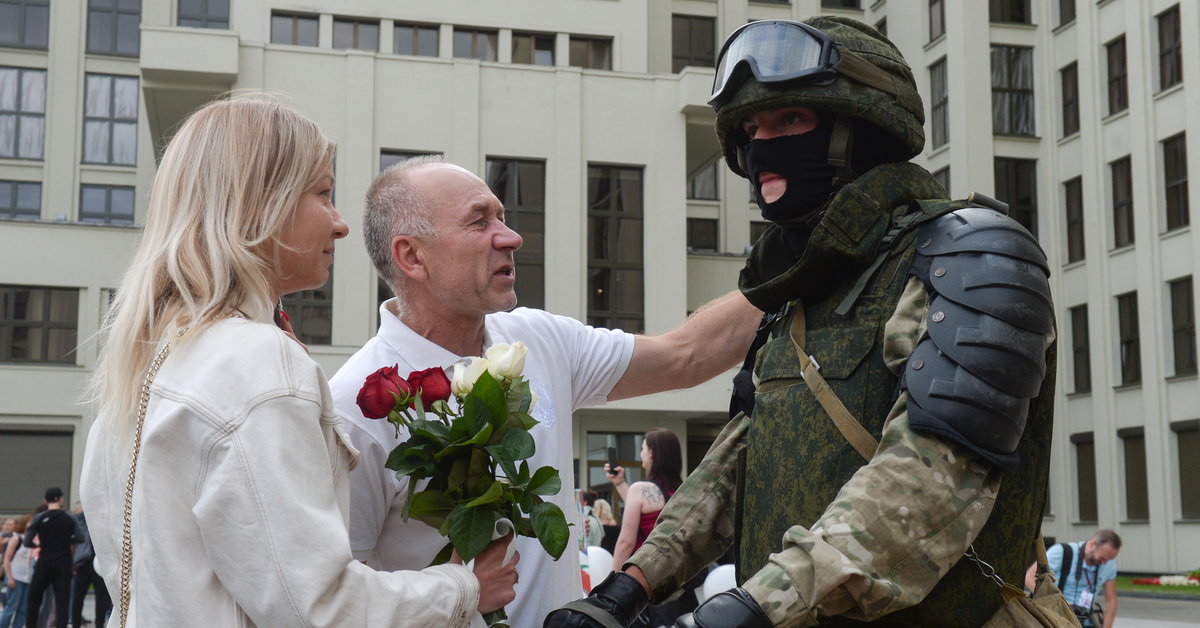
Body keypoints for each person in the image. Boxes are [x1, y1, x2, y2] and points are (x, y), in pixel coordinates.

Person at [546, 16, 1059, 627]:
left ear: (861, 131)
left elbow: (934, 475)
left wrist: (757, 606)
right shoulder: (801, 291)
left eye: (790, 121)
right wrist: (628, 588)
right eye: (752, 129)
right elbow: (740, 459)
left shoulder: (972, 257)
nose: (764, 145)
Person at [79, 98, 518, 628]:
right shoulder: (254, 362)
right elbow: (315, 608)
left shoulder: (149, 363)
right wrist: (464, 586)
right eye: (323, 193)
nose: (340, 225)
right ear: (261, 202)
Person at [328, 156, 762, 627]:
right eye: (479, 222)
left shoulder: (538, 339)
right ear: (412, 256)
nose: (511, 237)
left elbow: (688, 355)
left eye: (503, 217)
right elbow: (336, 598)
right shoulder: (355, 406)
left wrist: (793, 268)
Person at [606, 429, 682, 569]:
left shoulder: (640, 489)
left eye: (643, 448)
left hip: (647, 574)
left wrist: (613, 579)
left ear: (651, 452)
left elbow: (626, 543)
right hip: (679, 575)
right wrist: (620, 483)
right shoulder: (683, 491)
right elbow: (642, 507)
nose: (641, 453)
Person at [1025, 530, 1120, 628]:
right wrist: (1056, 601)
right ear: (1092, 544)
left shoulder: (1109, 564)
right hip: (1053, 620)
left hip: (1085, 622)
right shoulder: (1061, 552)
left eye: (1109, 559)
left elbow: (1111, 600)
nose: (1105, 563)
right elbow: (1029, 577)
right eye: (1102, 558)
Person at [22, 488, 81, 628]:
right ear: (60, 499)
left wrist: (39, 542)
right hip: (63, 563)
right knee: (62, 602)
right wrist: (68, 539)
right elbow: (80, 537)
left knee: (34, 598)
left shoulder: (39, 518)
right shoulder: (69, 517)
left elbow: (27, 542)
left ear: (45, 500)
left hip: (44, 562)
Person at [68, 505, 109, 628]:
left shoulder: (99, 520)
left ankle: (99, 623)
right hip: (83, 562)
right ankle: (76, 622)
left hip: (97, 562)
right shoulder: (78, 522)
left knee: (100, 597)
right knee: (78, 596)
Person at [0, 515, 33, 628]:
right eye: (30, 522)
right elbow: (7, 559)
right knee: (11, 607)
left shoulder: (30, 539)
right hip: (15, 577)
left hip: (26, 578)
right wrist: (10, 577)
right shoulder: (16, 539)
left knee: (23, 609)